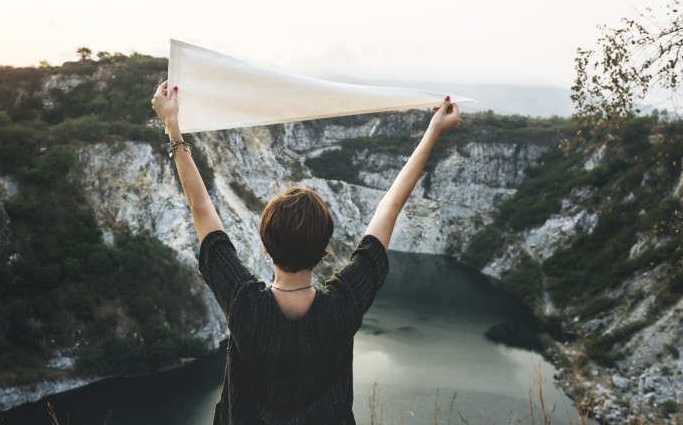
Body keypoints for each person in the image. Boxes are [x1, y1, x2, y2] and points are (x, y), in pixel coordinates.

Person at [151, 82, 461, 425]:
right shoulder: (343, 305)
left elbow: (201, 208)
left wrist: (172, 126)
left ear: (264, 244)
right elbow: (391, 208)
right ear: (325, 249)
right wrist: (433, 132)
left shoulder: (244, 304)